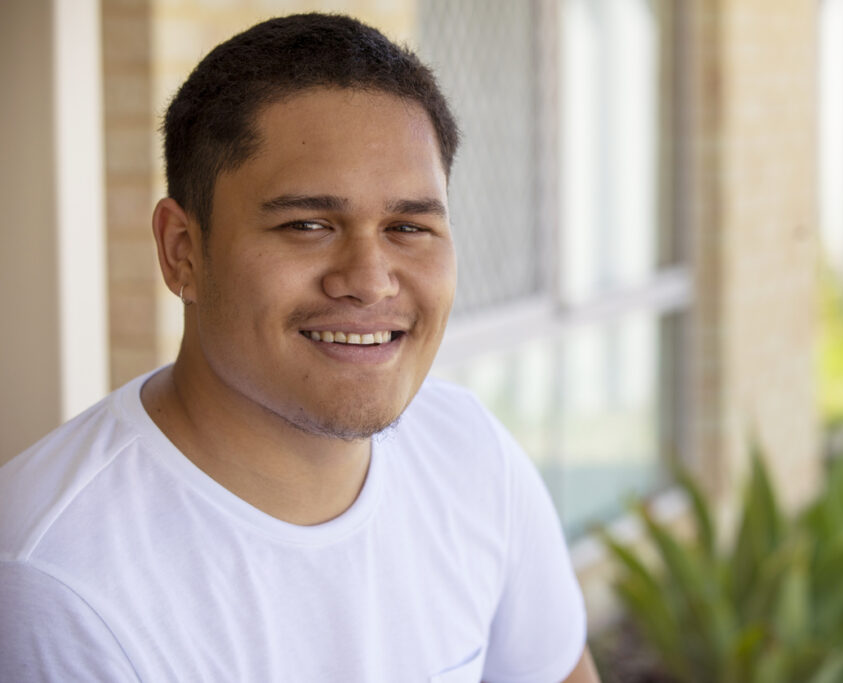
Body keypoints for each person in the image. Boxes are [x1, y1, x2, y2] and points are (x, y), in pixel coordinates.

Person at [0, 13, 599, 682]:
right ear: (182, 251)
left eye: (408, 226)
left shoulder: (471, 455)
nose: (369, 280)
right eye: (308, 224)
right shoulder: (54, 578)